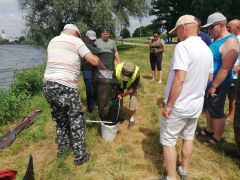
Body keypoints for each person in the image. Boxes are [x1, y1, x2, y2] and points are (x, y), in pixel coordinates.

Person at [160, 15, 213, 180]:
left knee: (168, 141)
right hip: (196, 104)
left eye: (177, 32)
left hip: (180, 105)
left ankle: (171, 177)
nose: (177, 35)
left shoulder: (183, 47)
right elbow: (210, 78)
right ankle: (183, 169)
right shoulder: (207, 49)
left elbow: (180, 78)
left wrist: (169, 105)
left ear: (183, 28)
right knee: (188, 137)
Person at [43, 24, 101, 166]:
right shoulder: (76, 41)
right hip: (65, 86)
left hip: (48, 84)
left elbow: (64, 58)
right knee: (76, 120)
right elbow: (93, 61)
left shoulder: (53, 40)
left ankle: (63, 150)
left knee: (60, 118)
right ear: (75, 33)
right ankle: (80, 157)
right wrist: (99, 60)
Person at [201, 12, 239, 144]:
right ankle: (210, 129)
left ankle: (217, 136)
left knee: (216, 108)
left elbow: (226, 67)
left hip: (220, 83)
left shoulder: (230, 41)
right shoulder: (216, 40)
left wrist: (214, 86)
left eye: (211, 27)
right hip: (211, 82)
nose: (209, 31)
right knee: (209, 107)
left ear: (221, 25)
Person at [115, 62, 140, 129]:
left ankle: (132, 119)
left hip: (131, 85)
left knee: (133, 100)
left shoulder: (136, 73)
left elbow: (132, 89)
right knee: (118, 100)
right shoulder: (116, 69)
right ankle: (119, 116)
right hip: (119, 84)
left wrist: (122, 95)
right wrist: (119, 94)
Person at [81, 30, 100, 113]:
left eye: (94, 39)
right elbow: (80, 63)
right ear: (86, 37)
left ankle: (94, 102)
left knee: (96, 88)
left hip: (95, 71)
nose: (93, 41)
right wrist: (91, 60)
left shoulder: (94, 46)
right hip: (87, 71)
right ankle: (91, 108)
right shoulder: (81, 47)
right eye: (91, 39)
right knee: (90, 90)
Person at [225, 19, 240, 123]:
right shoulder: (229, 38)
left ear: (238, 28)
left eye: (230, 27)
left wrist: (239, 67)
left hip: (235, 74)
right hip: (226, 72)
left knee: (232, 96)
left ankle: (231, 115)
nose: (227, 29)